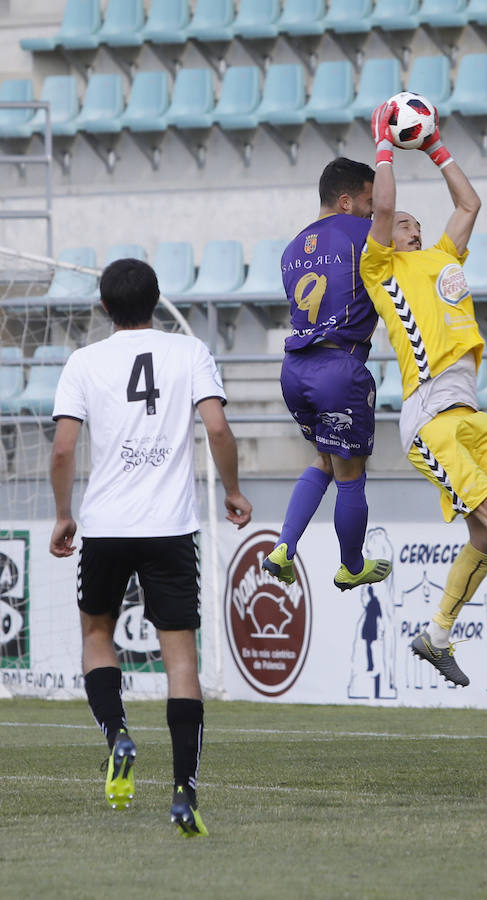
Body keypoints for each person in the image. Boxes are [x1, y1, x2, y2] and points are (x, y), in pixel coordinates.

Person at [49, 257, 252, 837]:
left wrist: (65, 515)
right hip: (170, 526)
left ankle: (117, 735)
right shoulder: (189, 351)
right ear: (158, 300)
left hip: (106, 525)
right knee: (180, 659)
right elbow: (216, 429)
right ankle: (184, 793)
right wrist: (233, 490)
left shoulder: (83, 361)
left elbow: (64, 450)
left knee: (96, 635)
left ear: (105, 308)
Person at [359, 100, 487, 688]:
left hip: (470, 407)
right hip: (429, 415)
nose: (412, 227)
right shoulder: (382, 269)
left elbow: (469, 204)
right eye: (403, 223)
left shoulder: (442, 256)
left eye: (417, 224)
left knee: (485, 535)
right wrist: (386, 147)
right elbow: (386, 204)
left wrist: (438, 148)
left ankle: (438, 634)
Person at [263, 157, 391, 592]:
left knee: (323, 459)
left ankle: (284, 546)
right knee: (351, 471)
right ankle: (351, 565)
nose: (374, 212)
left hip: (295, 370)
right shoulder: (361, 233)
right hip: (339, 368)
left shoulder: (290, 249)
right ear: (345, 200)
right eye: (369, 203)